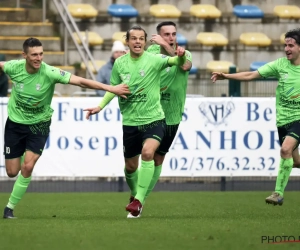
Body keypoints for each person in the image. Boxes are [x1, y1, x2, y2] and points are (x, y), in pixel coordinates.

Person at [1, 37, 130, 219]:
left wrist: (112, 88)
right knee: (12, 172)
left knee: (28, 167)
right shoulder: (14, 67)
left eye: (41, 54)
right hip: (15, 124)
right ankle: (21, 152)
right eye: (34, 55)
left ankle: (9, 208)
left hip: (39, 124)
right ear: (24, 56)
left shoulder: (50, 72)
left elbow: (81, 82)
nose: (39, 58)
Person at [84, 25, 186, 217]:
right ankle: (135, 193)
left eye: (141, 38)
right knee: (131, 167)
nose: (137, 41)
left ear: (145, 41)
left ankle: (139, 200)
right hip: (130, 122)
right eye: (134, 38)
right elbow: (114, 87)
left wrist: (180, 55)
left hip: (154, 119)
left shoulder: (155, 60)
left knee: (149, 153)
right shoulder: (120, 63)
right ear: (128, 41)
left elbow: (175, 60)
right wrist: (99, 106)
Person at [211, 28, 300, 206]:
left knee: (284, 150)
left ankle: (278, 193)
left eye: (291, 45)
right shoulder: (280, 65)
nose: (287, 49)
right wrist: (226, 76)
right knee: (294, 160)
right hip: (283, 120)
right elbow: (251, 74)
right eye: (285, 45)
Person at [127, 21, 191, 216]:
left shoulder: (183, 53)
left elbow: (185, 65)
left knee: (157, 158)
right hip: (150, 113)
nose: (171, 38)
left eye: (173, 34)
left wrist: (167, 47)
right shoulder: (152, 52)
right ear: (158, 36)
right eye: (166, 35)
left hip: (171, 116)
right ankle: (136, 194)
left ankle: (140, 200)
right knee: (132, 162)